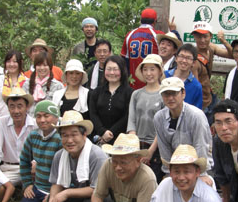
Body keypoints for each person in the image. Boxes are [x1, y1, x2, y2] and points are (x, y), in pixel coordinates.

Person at [43, 111, 108, 202]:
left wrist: (67, 193)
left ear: (84, 135)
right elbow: (56, 183)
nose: (69, 140)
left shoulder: (96, 155)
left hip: (97, 197)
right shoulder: (59, 155)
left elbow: (97, 189)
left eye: (74, 134)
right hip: (76, 195)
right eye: (65, 135)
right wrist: (52, 198)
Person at [153, 77, 213, 186]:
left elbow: (201, 145)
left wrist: (202, 173)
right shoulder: (159, 117)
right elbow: (164, 148)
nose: (170, 98)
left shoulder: (196, 115)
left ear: (183, 93)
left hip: (197, 167)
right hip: (175, 168)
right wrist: (168, 172)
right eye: (166, 94)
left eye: (174, 93)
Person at [15, 101, 62, 202]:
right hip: (38, 187)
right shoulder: (33, 136)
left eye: (46, 116)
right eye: (38, 116)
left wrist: (55, 195)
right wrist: (27, 184)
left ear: (56, 117)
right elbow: (24, 160)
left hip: (54, 191)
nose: (42, 120)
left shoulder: (61, 139)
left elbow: (65, 173)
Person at [127, 54, 165, 182]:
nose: (149, 73)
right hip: (136, 145)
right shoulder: (136, 94)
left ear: (160, 71)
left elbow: (163, 126)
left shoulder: (164, 95)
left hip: (156, 147)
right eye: (145, 69)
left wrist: (150, 151)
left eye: (152, 69)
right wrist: (135, 147)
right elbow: (131, 121)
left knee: (152, 181)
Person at [0, 89, 36, 187]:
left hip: (30, 168)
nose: (16, 111)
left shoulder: (34, 124)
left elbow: (40, 149)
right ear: (8, 108)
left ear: (27, 107)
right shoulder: (1, 122)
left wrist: (36, 162)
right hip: (9, 168)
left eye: (20, 106)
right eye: (12, 107)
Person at [190, 22, 233, 120]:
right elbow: (195, 87)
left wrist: (223, 41)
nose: (202, 40)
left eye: (205, 36)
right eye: (199, 37)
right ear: (194, 37)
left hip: (211, 98)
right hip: (202, 105)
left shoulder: (211, 48)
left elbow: (232, 55)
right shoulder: (194, 59)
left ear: (210, 36)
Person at [88, 55, 133, 144]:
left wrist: (111, 132)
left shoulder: (130, 93)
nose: (112, 72)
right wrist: (102, 131)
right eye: (108, 69)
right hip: (99, 138)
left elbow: (128, 116)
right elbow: (93, 113)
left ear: (122, 70)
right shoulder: (97, 92)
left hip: (121, 140)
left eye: (115, 69)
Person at [121, 8, 165, 89]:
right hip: (153, 82)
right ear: (155, 21)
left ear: (141, 20)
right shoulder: (158, 35)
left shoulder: (129, 35)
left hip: (133, 83)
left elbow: (124, 60)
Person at [23, 51, 64, 117]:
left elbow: (58, 110)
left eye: (45, 65)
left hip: (49, 125)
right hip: (30, 124)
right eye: (39, 65)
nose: (42, 68)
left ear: (50, 67)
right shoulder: (26, 84)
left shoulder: (58, 86)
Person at [0, 50, 28, 121]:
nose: (11, 64)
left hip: (21, 121)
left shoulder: (26, 81)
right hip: (1, 119)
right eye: (8, 61)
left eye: (15, 61)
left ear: (20, 63)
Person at [164, 43, 203, 109]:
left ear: (193, 63)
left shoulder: (196, 86)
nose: (184, 61)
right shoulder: (164, 76)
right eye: (181, 56)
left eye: (188, 58)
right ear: (176, 58)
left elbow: (197, 111)